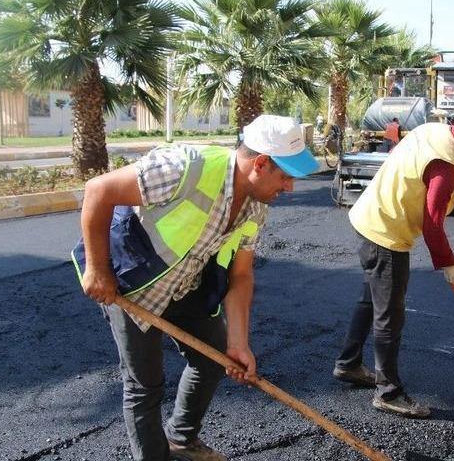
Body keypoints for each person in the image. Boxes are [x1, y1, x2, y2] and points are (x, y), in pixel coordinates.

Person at [72, 115, 318, 461]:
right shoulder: (184, 167)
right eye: (286, 176)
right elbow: (98, 190)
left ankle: (182, 439)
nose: (289, 187)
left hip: (185, 284)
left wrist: (238, 343)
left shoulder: (256, 207)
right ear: (261, 163)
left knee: (212, 357)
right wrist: (97, 270)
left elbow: (241, 275)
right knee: (145, 386)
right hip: (132, 285)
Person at [332, 108, 454, 418]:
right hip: (386, 232)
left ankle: (348, 364)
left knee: (370, 301)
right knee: (390, 315)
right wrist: (450, 265)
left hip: (371, 217)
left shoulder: (434, 131)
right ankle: (388, 392)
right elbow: (432, 224)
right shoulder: (447, 164)